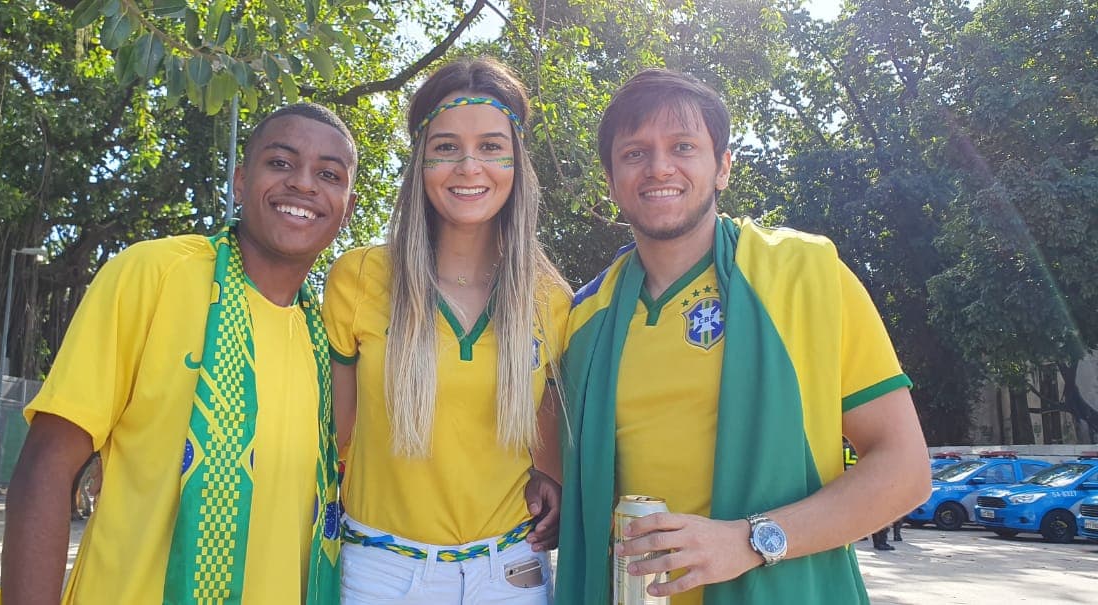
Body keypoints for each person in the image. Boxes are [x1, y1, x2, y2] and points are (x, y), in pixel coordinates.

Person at [555, 69, 931, 605]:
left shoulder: (806, 275)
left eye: (683, 146)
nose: (660, 166)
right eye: (634, 153)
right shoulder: (585, 318)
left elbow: (905, 469)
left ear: (723, 166)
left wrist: (749, 541)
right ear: (612, 182)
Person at [1, 103, 359, 605]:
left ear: (347, 204)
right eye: (280, 162)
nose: (303, 184)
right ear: (239, 180)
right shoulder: (154, 275)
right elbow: (47, 466)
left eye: (328, 174)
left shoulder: (326, 341)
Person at [322, 57, 570, 604]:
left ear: (516, 160)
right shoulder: (358, 278)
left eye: (489, 146)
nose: (468, 166)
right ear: (420, 161)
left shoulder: (551, 299)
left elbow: (547, 411)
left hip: (511, 571)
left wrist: (549, 472)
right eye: (446, 147)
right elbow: (331, 440)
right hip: (379, 571)